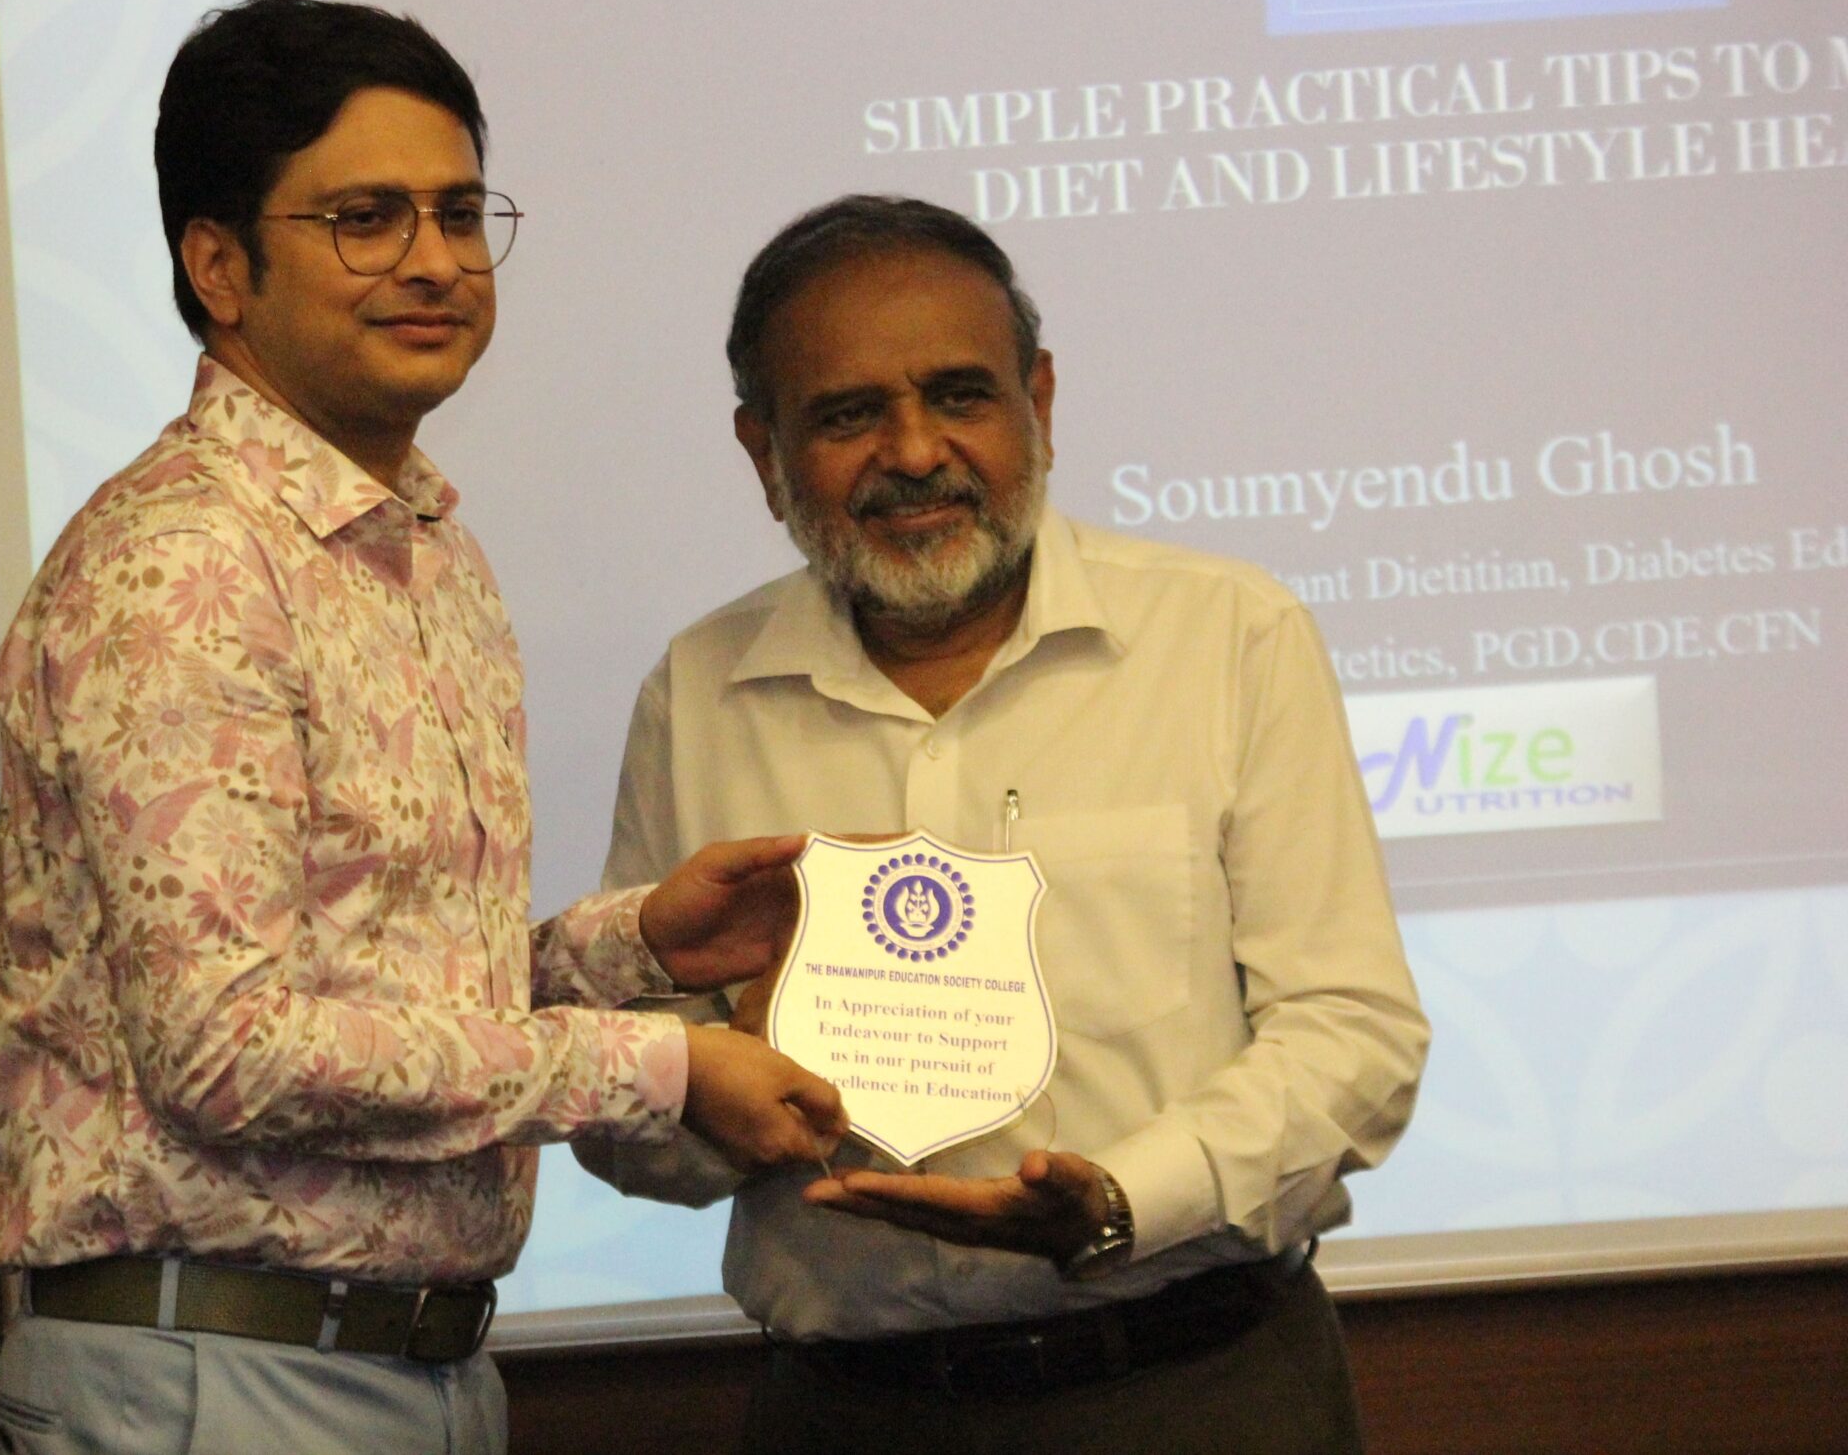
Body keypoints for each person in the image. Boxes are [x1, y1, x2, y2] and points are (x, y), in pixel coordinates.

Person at [0, 0, 845, 1455]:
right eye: (367, 219)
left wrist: (638, 947)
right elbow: (230, 1050)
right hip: (218, 1374)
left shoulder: (422, 545)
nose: (436, 261)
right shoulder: (188, 561)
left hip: (404, 1368)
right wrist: (658, 1063)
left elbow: (375, 980)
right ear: (218, 265)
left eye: (458, 212)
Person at [575, 195, 1429, 1453]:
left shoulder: (1225, 637)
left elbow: (1353, 1035)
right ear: (764, 452)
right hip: (849, 1415)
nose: (915, 452)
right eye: (848, 415)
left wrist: (1122, 1201)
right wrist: (713, 1102)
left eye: (960, 396)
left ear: (1039, 401)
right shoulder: (700, 691)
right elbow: (621, 1112)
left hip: (1195, 1389)